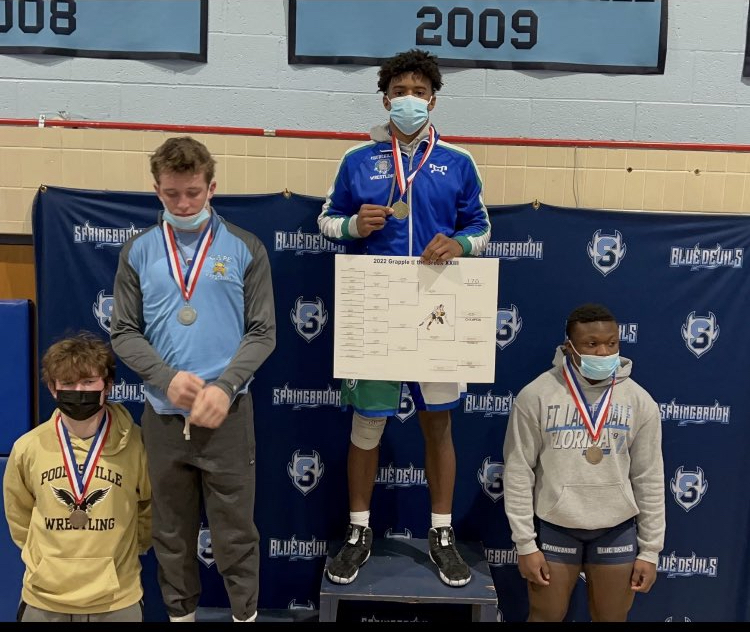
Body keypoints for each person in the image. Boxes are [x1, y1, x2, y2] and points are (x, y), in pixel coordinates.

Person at [317, 49, 491, 587]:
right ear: (385, 98)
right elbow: (325, 221)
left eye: (419, 91)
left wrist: (460, 244)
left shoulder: (459, 162)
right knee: (367, 425)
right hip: (377, 305)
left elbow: (482, 227)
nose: (409, 99)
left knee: (438, 424)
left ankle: (441, 532)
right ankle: (359, 530)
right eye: (400, 91)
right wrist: (353, 228)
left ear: (433, 99)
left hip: (438, 303)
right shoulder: (357, 160)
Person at [110, 136, 276, 623]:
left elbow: (264, 332)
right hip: (163, 418)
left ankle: (244, 617)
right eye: (172, 193)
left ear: (212, 187)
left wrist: (224, 388)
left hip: (227, 415)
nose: (183, 203)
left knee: (235, 533)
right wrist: (163, 378)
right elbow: (123, 331)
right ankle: (180, 617)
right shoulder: (138, 251)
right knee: (171, 533)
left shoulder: (245, 247)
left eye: (194, 192)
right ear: (156, 190)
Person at [502, 303, 665, 622]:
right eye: (592, 344)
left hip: (616, 529)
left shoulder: (639, 401)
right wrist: (525, 544)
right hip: (556, 526)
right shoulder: (536, 396)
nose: (603, 352)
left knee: (612, 618)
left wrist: (650, 551)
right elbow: (518, 472)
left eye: (612, 343)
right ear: (569, 347)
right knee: (544, 616)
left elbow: (650, 478)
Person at [3, 332, 151, 622]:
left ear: (107, 385)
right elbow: (19, 518)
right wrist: (47, 564)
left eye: (87, 382)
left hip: (116, 599)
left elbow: (150, 508)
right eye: (68, 383)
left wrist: (125, 552)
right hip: (44, 599)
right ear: (53, 388)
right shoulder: (28, 447)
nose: (78, 390)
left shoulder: (138, 444)